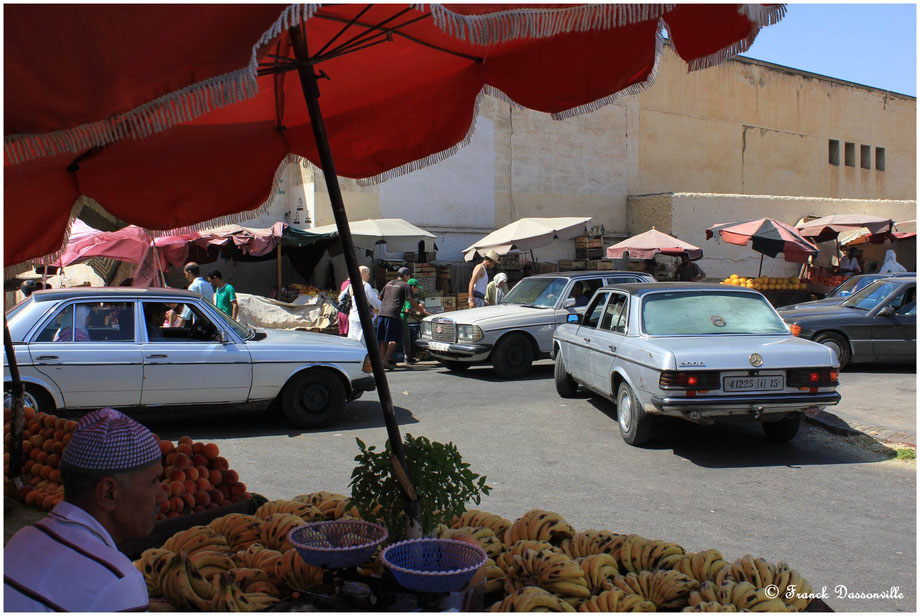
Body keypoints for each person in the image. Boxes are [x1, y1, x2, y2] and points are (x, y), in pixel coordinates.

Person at [4, 408, 165, 611]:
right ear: (108, 493)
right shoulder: (116, 581)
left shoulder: (22, 539)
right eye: (153, 482)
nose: (162, 496)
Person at [377, 267, 424, 369]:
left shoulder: (389, 283)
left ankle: (381, 361)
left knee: (384, 339)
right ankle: (385, 361)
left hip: (382, 313)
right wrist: (421, 310)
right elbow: (411, 300)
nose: (409, 277)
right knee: (393, 340)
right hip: (393, 314)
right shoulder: (405, 285)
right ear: (406, 276)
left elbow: (379, 297)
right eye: (409, 276)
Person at [340, 265, 382, 344]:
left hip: (352, 316)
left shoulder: (351, 285)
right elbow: (373, 300)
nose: (369, 276)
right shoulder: (366, 285)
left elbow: (341, 297)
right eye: (368, 274)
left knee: (352, 341)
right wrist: (382, 308)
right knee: (362, 342)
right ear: (364, 274)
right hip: (362, 318)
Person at [401, 278, 431, 364]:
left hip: (397, 317)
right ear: (412, 286)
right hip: (403, 319)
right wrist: (416, 311)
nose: (417, 289)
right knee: (406, 340)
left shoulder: (402, 293)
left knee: (393, 340)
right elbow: (407, 310)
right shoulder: (409, 297)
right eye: (416, 287)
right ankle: (408, 358)